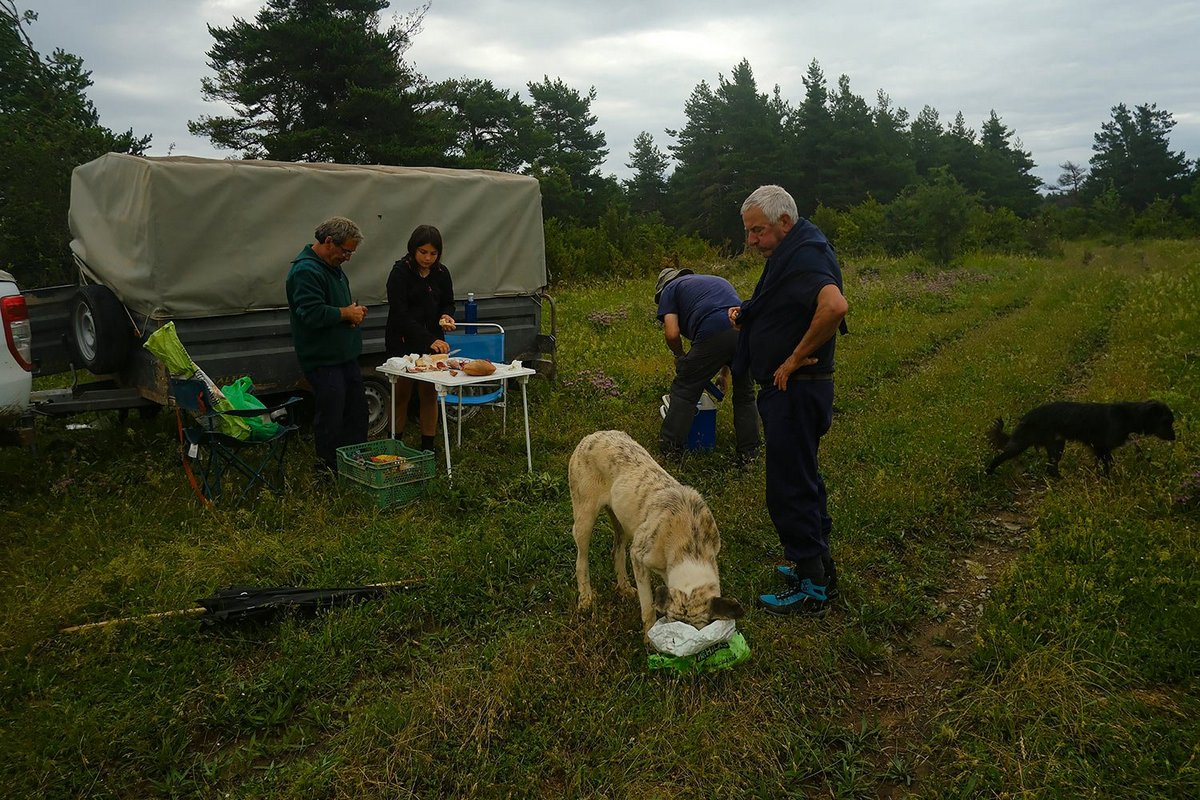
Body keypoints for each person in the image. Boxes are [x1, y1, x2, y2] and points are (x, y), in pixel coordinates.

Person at [729, 185, 849, 615]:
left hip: (795, 390)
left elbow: (834, 307)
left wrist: (793, 359)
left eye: (758, 231)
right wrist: (749, 314)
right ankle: (817, 565)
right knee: (803, 476)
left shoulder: (807, 256)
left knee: (789, 485)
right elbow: (787, 304)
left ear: (784, 222)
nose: (752, 241)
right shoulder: (793, 252)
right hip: (795, 392)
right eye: (748, 232)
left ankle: (812, 588)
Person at [285, 216, 369, 477]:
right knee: (331, 417)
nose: (348, 257)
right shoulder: (305, 271)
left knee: (357, 412)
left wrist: (352, 313)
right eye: (346, 251)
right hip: (323, 359)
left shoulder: (331, 266)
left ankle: (355, 463)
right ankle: (328, 471)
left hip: (345, 356)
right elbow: (310, 313)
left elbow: (333, 307)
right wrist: (345, 314)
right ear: (329, 241)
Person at [655, 267, 759, 462]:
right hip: (744, 333)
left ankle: (670, 453)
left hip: (711, 331)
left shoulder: (670, 290)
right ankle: (749, 454)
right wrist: (724, 375)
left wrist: (680, 357)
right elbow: (729, 328)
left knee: (685, 390)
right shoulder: (718, 280)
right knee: (746, 395)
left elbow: (671, 333)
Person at [385, 224, 456, 452]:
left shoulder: (442, 273)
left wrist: (447, 314)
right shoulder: (399, 273)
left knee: (429, 393)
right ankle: (395, 444)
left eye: (433, 254)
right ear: (413, 250)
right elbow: (400, 314)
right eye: (423, 252)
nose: (428, 258)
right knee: (401, 393)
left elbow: (448, 301)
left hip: (434, 342)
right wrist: (428, 339)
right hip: (403, 341)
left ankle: (428, 446)